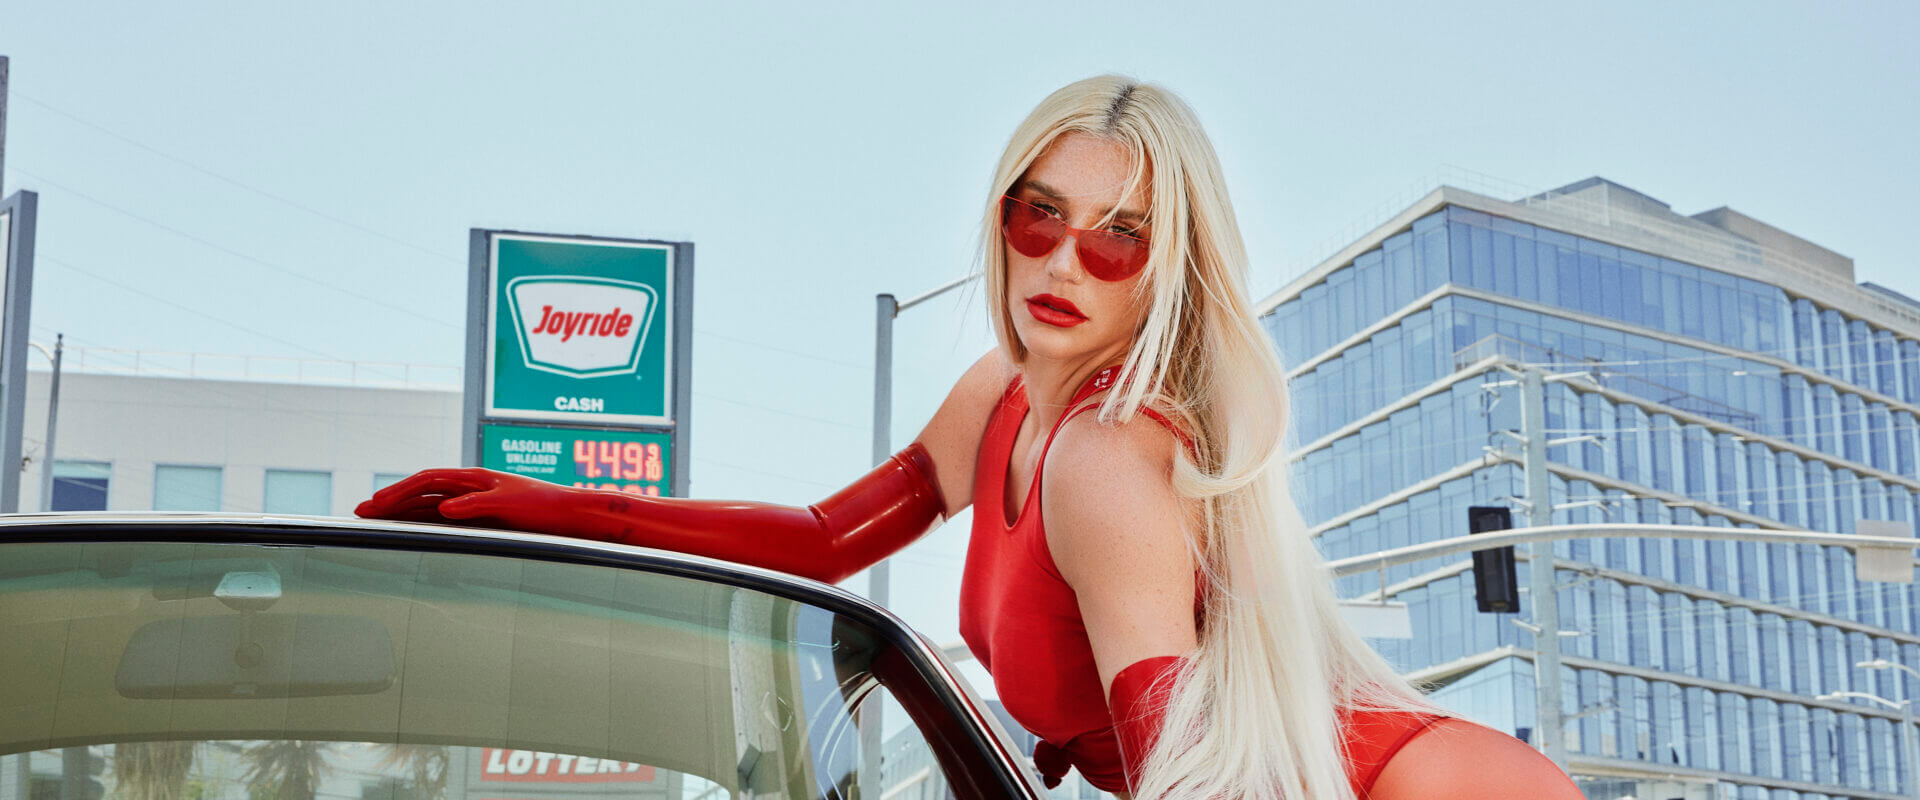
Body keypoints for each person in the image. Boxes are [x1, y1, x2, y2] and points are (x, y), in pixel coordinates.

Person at [359, 76, 1581, 799]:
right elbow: (824, 539)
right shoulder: (1002, 391)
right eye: (1037, 213)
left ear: (1168, 272)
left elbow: (1188, 778)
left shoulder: (1106, 458)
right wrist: (546, 503)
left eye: (1116, 236)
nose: (1061, 260)